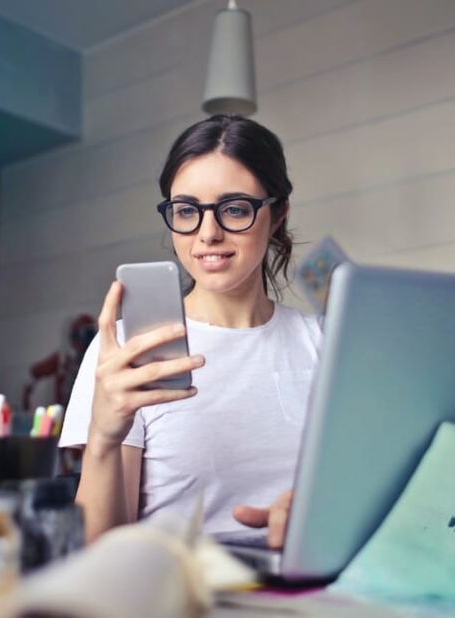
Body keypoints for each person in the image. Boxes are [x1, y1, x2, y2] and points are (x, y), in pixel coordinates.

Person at [59, 115, 322, 546]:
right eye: (187, 211)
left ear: (277, 215)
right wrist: (104, 437)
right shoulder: (129, 350)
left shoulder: (325, 344)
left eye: (235, 209)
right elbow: (100, 552)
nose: (208, 233)